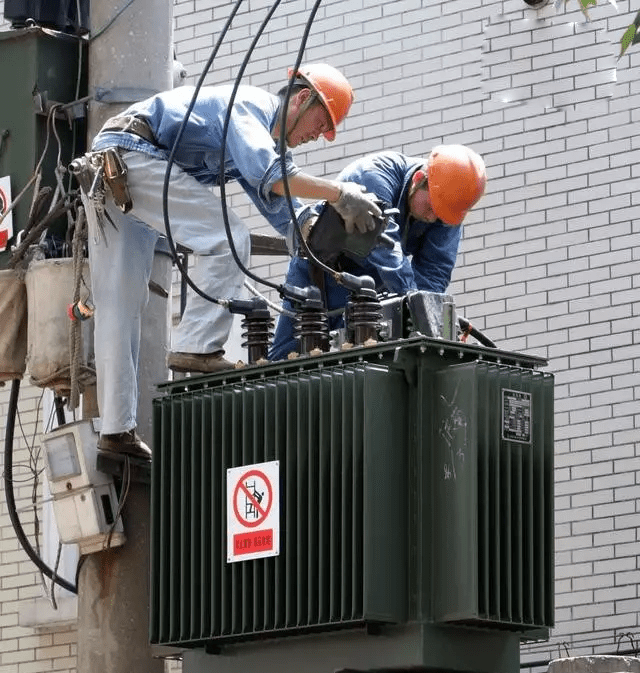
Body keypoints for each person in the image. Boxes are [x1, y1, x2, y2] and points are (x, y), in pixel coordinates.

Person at [82, 64, 382, 458]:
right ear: (302, 97)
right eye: (320, 122)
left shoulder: (252, 134)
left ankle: (116, 431)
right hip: (132, 156)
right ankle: (196, 346)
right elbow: (273, 175)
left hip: (114, 166)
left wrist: (310, 229)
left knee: (120, 306)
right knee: (228, 239)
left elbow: (273, 196)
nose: (317, 136)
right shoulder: (250, 104)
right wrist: (338, 192)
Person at [269, 145, 487, 361]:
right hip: (317, 274)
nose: (433, 218)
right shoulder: (373, 176)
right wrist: (413, 304)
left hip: (368, 293)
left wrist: (421, 323)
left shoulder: (447, 209)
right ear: (419, 178)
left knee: (355, 366)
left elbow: (434, 273)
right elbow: (386, 250)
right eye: (431, 209)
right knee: (288, 359)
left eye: (441, 216)